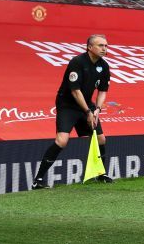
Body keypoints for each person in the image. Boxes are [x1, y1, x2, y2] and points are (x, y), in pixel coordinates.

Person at [32, 34, 115, 189]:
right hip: (68, 105)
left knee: (100, 139)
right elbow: (75, 91)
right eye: (100, 45)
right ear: (90, 47)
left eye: (106, 46)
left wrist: (96, 109)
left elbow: (103, 91)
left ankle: (100, 174)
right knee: (62, 141)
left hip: (86, 105)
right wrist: (88, 112)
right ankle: (38, 180)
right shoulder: (77, 62)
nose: (104, 48)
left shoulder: (103, 66)